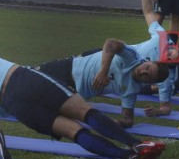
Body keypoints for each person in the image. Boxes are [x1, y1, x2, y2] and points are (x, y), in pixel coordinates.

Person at [0, 58, 166, 159]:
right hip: (18, 78)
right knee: (83, 111)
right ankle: (137, 144)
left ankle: (128, 156)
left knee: (72, 132)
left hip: (10, 102)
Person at [36, 38, 169, 128]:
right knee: (29, 77)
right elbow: (111, 43)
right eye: (147, 67)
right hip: (68, 68)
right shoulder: (132, 57)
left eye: (148, 76)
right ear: (147, 61)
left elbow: (128, 120)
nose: (143, 72)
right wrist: (103, 71)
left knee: (37, 101)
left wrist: (117, 123)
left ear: (149, 83)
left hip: (73, 93)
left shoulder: (132, 89)